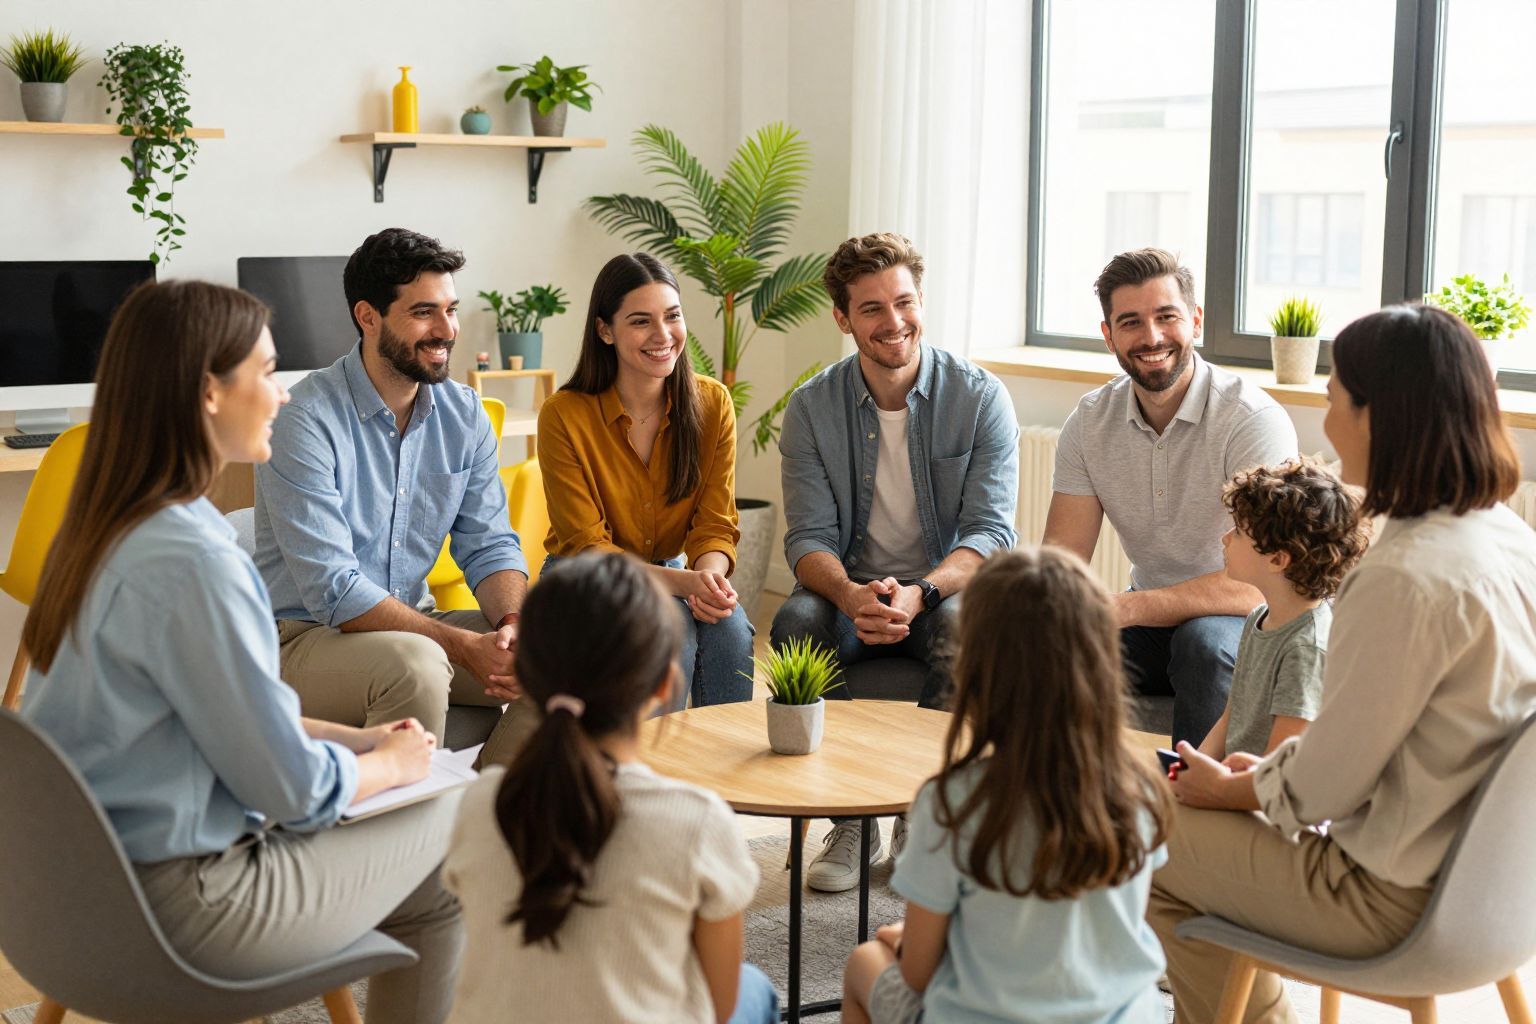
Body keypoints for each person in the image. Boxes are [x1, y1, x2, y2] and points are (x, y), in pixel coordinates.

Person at [20, 280, 462, 1024]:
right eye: (265, 371)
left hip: (66, 907)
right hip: (185, 911)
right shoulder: (197, 560)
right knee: (455, 838)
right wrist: (390, 767)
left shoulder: (103, 531)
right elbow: (291, 792)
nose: (283, 395)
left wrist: (354, 739)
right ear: (208, 394)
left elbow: (214, 717)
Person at [1151, 304, 1536, 1024]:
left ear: (1378, 417)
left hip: (1393, 899)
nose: (1325, 426)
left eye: (1333, 400)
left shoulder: (1404, 575)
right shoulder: (1511, 539)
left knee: (1137, 824)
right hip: (1503, 900)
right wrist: (1260, 780)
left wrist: (1228, 792)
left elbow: (1322, 789)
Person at [772, 232, 1019, 892]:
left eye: (904, 302)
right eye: (872, 309)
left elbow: (991, 535)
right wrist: (853, 596)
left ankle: (921, 812)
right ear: (843, 318)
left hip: (942, 593)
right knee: (796, 622)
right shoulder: (811, 408)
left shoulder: (980, 398)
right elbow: (808, 541)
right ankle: (850, 815)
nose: (894, 322)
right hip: (849, 591)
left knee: (969, 625)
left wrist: (922, 594)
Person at [443, 552, 777, 1024]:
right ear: (665, 684)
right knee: (755, 990)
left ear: (532, 673)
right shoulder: (697, 821)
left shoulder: (478, 803)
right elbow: (718, 1008)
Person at [840, 547, 1171, 1024]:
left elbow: (917, 974)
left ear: (977, 668)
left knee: (865, 963)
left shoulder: (951, 802)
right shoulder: (1139, 789)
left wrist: (903, 940)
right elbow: (1116, 937)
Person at [254, 227, 533, 766]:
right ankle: (402, 842)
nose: (446, 330)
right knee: (419, 664)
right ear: (368, 317)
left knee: (558, 655)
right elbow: (335, 590)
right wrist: (463, 648)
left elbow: (491, 545)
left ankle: (485, 822)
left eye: (451, 310)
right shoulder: (304, 419)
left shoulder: (466, 413)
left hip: (410, 624)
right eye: (424, 313)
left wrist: (509, 630)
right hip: (304, 639)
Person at [1043, 247, 1298, 747]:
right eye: (1131, 322)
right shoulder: (1089, 423)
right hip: (1154, 622)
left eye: (1167, 317)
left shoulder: (1251, 420)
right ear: (1108, 335)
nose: (1152, 337)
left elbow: (1267, 578)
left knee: (1203, 645)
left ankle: (1196, 816)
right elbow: (1061, 560)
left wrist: (1130, 607)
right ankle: (1075, 817)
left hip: (1249, 619)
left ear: (1196, 320)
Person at [536, 253, 752, 712]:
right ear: (605, 331)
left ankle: (725, 780)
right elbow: (588, 546)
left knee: (730, 630)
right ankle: (648, 777)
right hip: (583, 579)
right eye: (641, 321)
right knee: (668, 629)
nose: (663, 336)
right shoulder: (564, 415)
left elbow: (714, 525)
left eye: (672, 316)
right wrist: (686, 586)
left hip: (672, 567)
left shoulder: (713, 404)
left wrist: (707, 583)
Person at [1195, 460, 1368, 762]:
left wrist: (1215, 787)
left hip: (1258, 799)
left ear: (1277, 560)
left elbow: (1279, 766)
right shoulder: (1258, 618)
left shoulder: (1306, 648)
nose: (1224, 538)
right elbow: (1229, 720)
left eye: (1237, 532)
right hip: (1234, 782)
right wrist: (1188, 768)